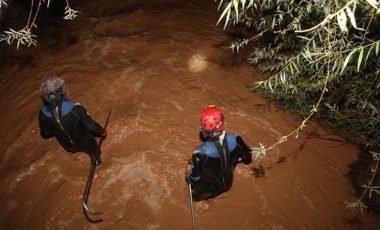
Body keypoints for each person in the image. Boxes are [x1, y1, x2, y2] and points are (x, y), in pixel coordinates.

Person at [185, 106, 252, 201]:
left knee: (194, 198)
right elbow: (248, 156)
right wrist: (238, 157)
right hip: (228, 183)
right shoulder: (236, 139)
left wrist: (188, 174)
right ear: (223, 123)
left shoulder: (199, 153)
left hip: (208, 189)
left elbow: (194, 179)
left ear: (202, 129)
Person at [38, 77, 107, 165]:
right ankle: (96, 160)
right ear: (62, 92)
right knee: (94, 152)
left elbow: (45, 133)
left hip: (67, 145)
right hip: (85, 143)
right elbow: (92, 126)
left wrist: (58, 126)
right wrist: (102, 132)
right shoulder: (75, 107)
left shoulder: (42, 113)